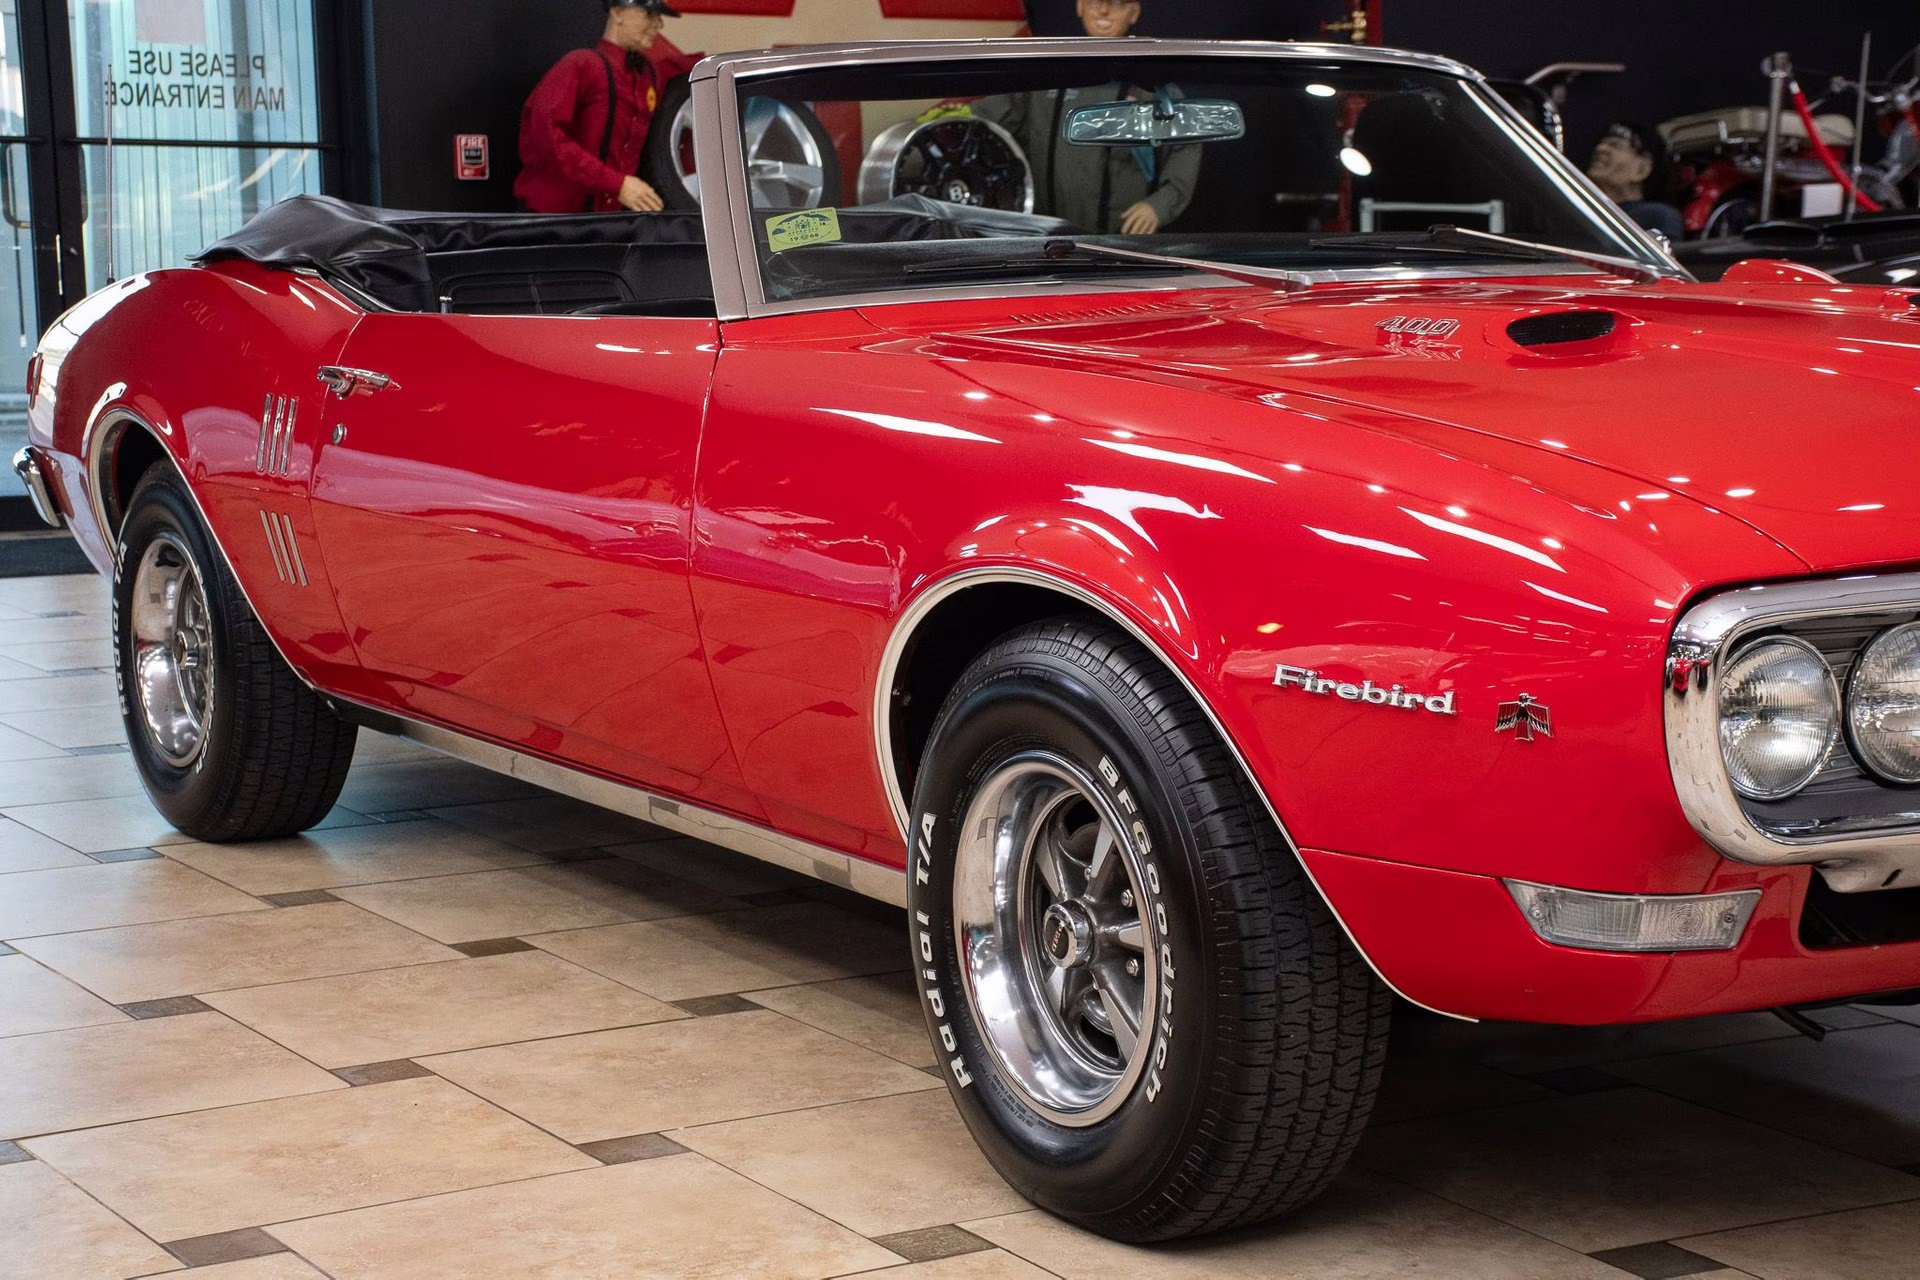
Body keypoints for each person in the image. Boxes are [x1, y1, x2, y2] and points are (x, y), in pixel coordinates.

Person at [972, 0, 1200, 234]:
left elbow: (1186, 147)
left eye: (1117, 3)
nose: (1103, 10)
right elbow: (979, 124)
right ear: (1080, 6)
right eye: (1095, 1)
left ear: (1134, 12)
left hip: (1122, 243)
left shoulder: (1153, 88)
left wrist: (1159, 206)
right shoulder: (1043, 77)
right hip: (1044, 241)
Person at [514, 0, 700, 215]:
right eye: (648, 14)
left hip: (607, 222)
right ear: (618, 12)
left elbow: (682, 67)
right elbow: (547, 137)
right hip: (555, 221)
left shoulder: (647, 76)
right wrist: (616, 183)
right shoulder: (581, 65)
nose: (658, 24)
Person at [1586, 121, 1685, 242]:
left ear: (1642, 168)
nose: (1600, 148)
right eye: (1601, 144)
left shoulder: (1657, 216)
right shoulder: (1580, 213)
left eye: (1615, 145)